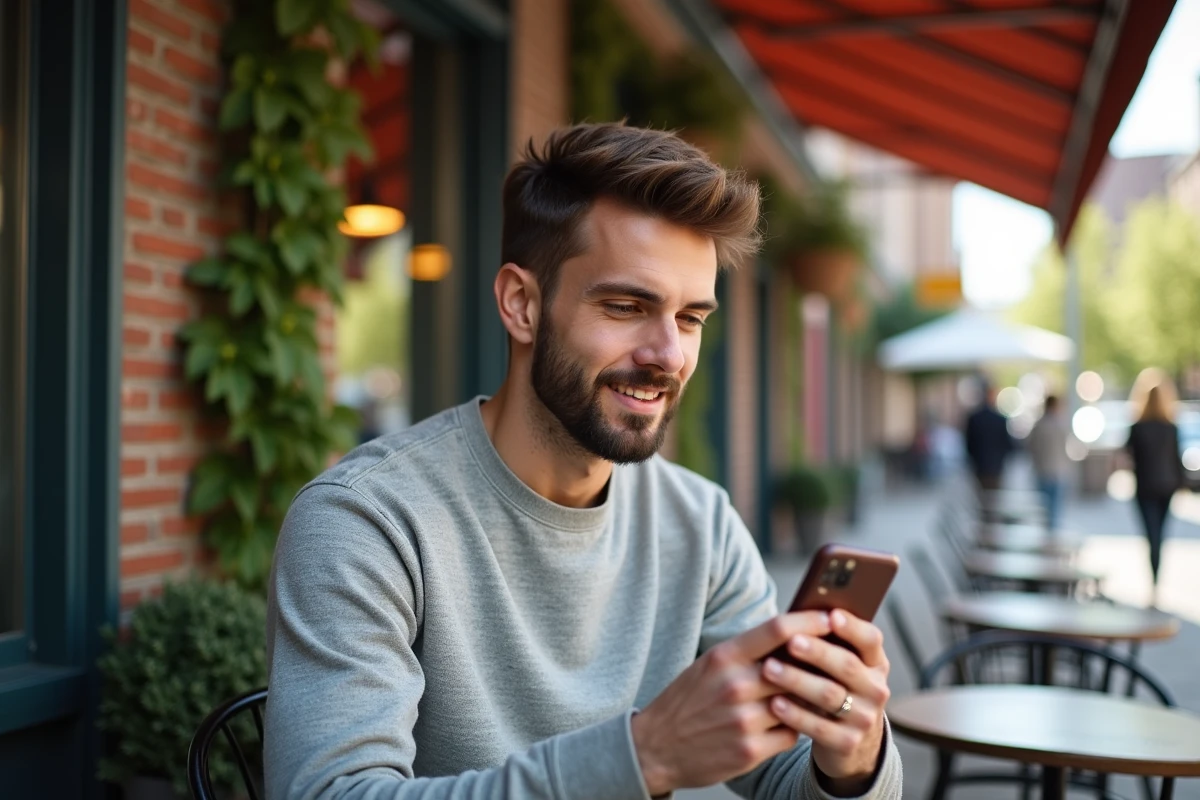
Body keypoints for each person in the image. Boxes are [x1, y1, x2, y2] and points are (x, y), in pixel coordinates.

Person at [264, 124, 901, 799]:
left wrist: (852, 759)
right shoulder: (365, 522)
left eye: (690, 318)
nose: (669, 354)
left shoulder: (699, 523)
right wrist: (643, 758)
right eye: (626, 306)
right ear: (522, 305)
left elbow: (784, 778)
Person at [1125, 370, 1185, 602]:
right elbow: (1177, 460)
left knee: (1152, 535)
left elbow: (1126, 455)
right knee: (1159, 534)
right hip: (1166, 486)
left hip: (1146, 487)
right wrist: (1181, 484)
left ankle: (1154, 580)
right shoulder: (1170, 427)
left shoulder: (1138, 427)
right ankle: (1155, 579)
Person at [1026, 395, 1071, 530]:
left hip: (1043, 470)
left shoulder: (1039, 425)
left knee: (1044, 507)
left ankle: (1047, 532)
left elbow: (1031, 447)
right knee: (1055, 508)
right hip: (1057, 471)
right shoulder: (1061, 424)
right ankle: (1052, 532)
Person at [963, 381, 1014, 495]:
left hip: (979, 465)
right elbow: (1007, 443)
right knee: (993, 495)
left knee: (982, 495)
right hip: (995, 465)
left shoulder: (974, 418)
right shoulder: (1000, 419)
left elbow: (969, 443)